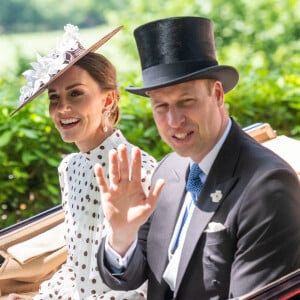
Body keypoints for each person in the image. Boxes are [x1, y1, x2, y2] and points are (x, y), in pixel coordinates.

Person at [95, 16, 300, 300]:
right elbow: (127, 279)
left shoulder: (267, 186)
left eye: (186, 102)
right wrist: (121, 234)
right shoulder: (169, 170)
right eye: (161, 106)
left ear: (217, 94)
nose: (173, 120)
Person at [8, 24, 156, 300]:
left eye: (76, 93)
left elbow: (141, 287)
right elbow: (79, 267)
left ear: (108, 100)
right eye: (54, 98)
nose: (62, 108)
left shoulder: (139, 172)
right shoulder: (71, 168)